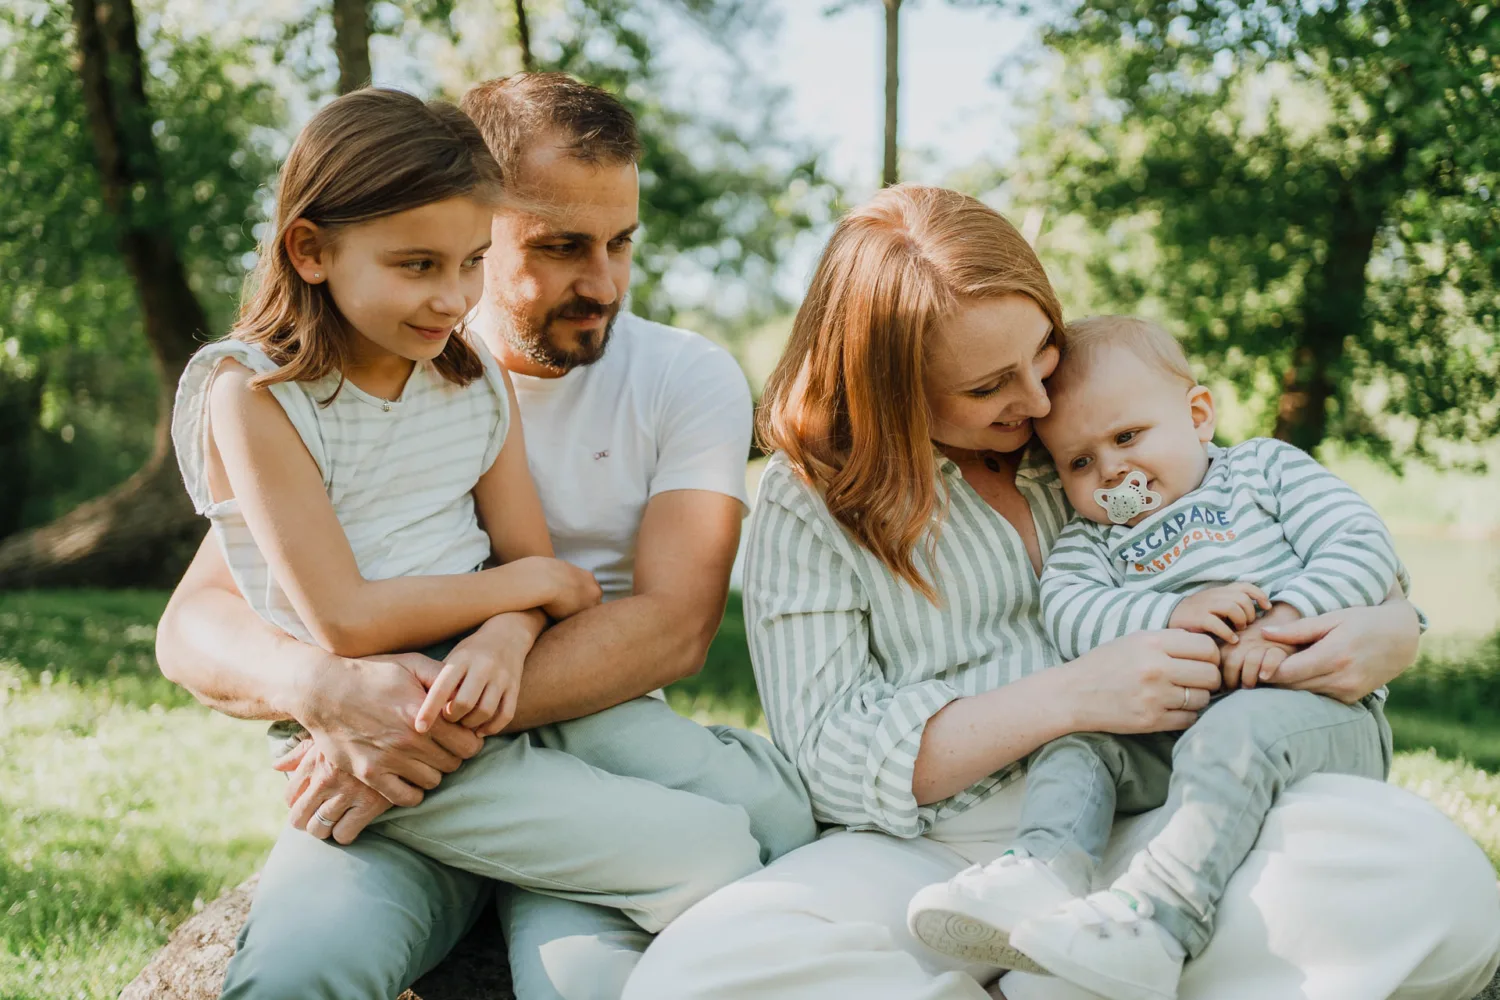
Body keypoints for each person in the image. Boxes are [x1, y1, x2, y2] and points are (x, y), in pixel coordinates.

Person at [621, 185, 1500, 1000]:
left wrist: (1397, 625)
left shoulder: (1087, 429)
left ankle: (1088, 957)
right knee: (698, 972)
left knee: (1438, 881)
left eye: (1040, 350)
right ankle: (1053, 969)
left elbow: (1300, 539)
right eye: (988, 387)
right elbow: (826, 756)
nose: (1038, 398)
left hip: (1177, 806)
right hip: (949, 853)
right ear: (892, 391)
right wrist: (1072, 696)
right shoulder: (809, 500)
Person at [154, 76, 813, 1000]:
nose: (605, 282)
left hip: (538, 724)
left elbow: (668, 625)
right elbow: (204, 619)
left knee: (668, 912)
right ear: (486, 214)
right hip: (392, 730)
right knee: (300, 968)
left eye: (622, 243)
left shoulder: (666, 376)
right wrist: (332, 695)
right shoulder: (292, 392)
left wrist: (460, 684)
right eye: (560, 246)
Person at [905, 315, 1404, 1000]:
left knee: (1238, 734)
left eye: (1128, 437)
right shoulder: (1095, 538)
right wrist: (1167, 614)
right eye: (1080, 462)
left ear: (1198, 416)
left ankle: (1159, 924)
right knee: (1079, 744)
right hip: (1176, 731)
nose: (1112, 470)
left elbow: (1361, 543)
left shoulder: (1264, 471)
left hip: (1317, 712)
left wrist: (1288, 621)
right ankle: (1041, 870)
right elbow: (1070, 611)